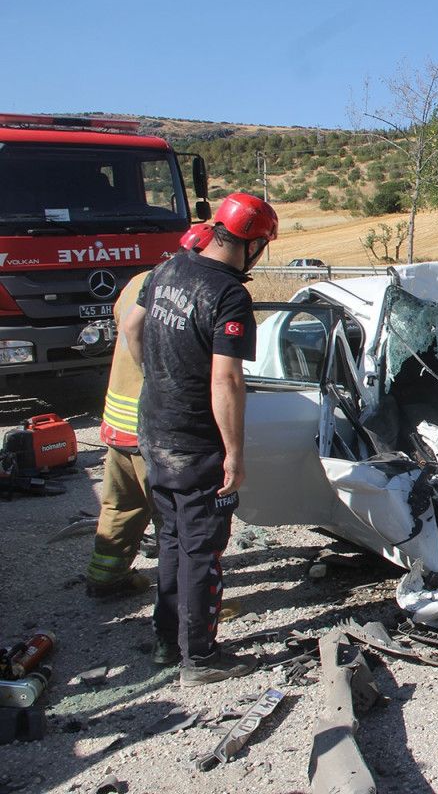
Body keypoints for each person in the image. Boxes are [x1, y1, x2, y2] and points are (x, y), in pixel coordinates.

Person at [122, 193, 276, 686]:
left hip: (155, 430)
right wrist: (234, 452)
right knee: (202, 550)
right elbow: (226, 380)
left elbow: (131, 326)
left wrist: (158, 377)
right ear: (253, 245)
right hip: (194, 442)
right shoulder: (228, 295)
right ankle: (201, 659)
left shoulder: (166, 269)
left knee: (172, 539)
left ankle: (167, 642)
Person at [85, 225, 215, 599]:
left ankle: (105, 578)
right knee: (175, 518)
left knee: (120, 505)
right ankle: (186, 601)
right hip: (154, 425)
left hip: (118, 420)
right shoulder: (195, 290)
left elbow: (124, 326)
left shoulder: (140, 282)